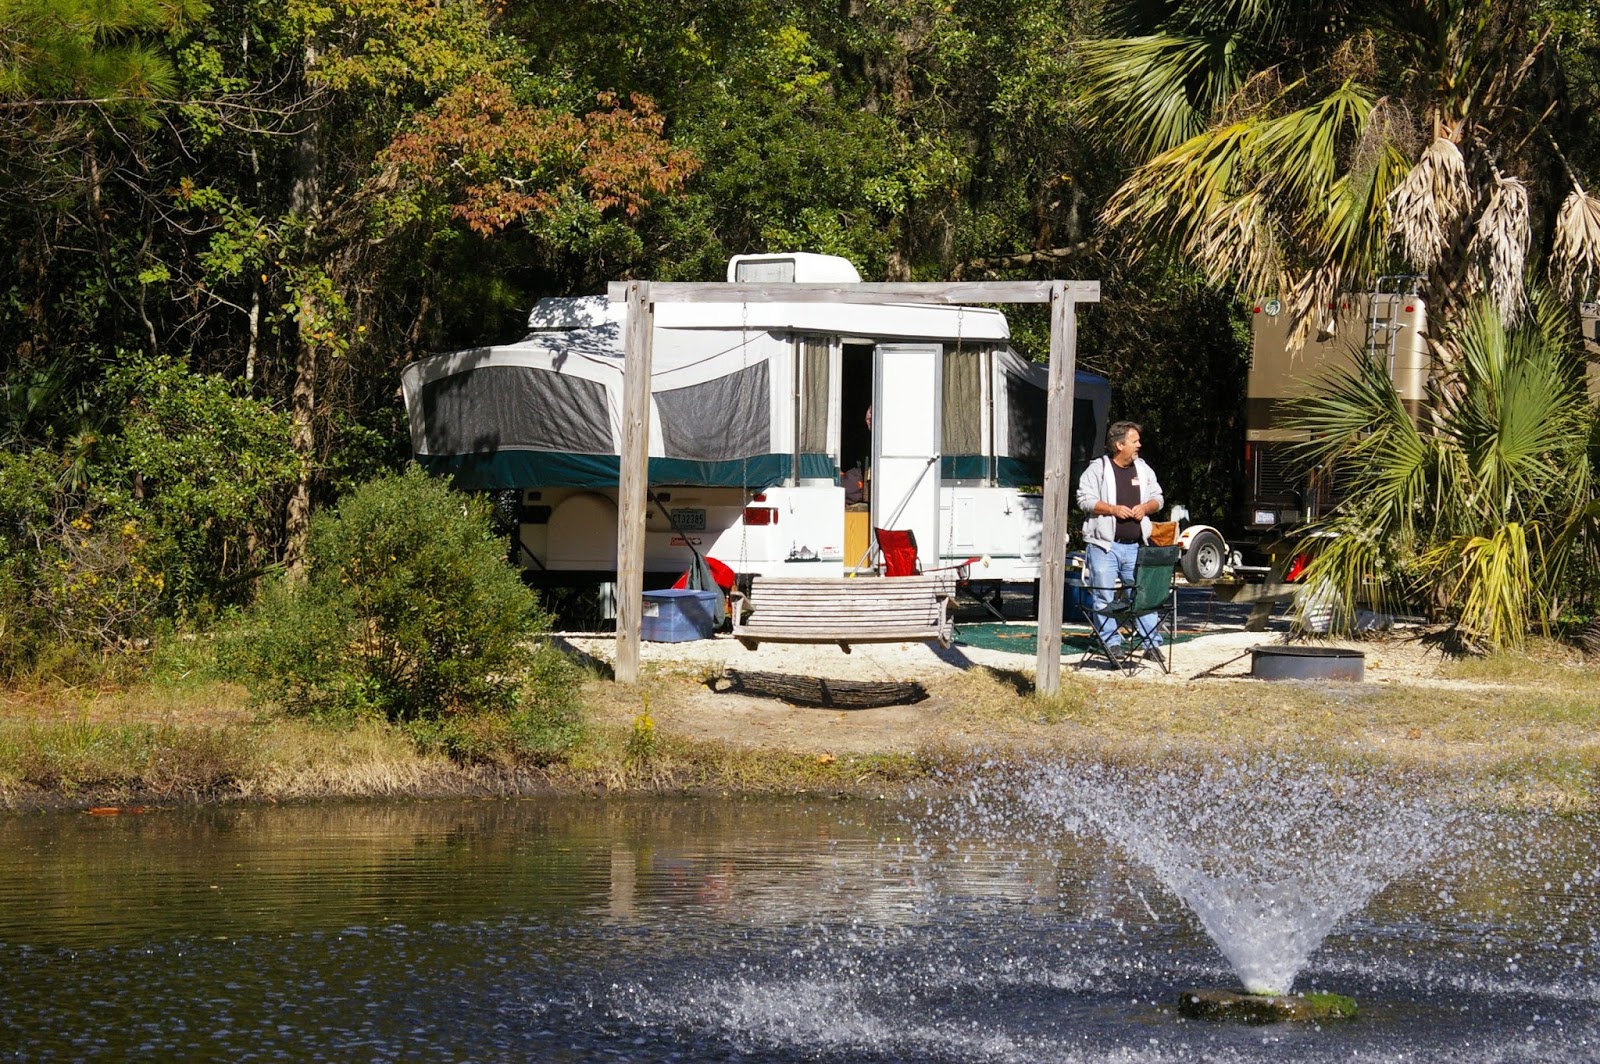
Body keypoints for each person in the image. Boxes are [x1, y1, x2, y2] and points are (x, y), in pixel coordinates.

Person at [1075, 420, 1165, 666]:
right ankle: (1111, 642)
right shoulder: (1098, 469)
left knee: (1142, 596)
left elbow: (1158, 498)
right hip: (1104, 546)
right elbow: (1084, 500)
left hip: (1136, 546)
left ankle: (1151, 644)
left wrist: (1145, 508)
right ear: (1119, 445)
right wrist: (1113, 509)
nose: (1139, 445)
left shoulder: (1143, 469)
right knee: (1103, 596)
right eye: (1134, 441)